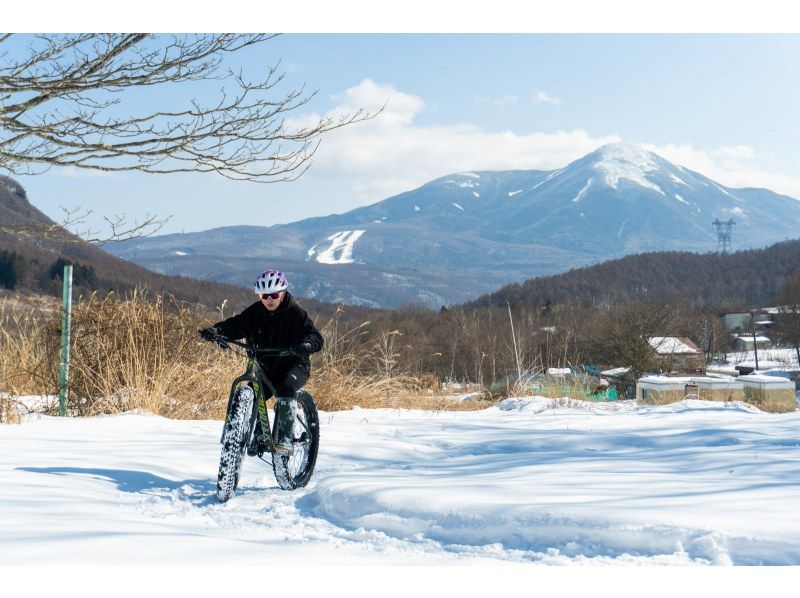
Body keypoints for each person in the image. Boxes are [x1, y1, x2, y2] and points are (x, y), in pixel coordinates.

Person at [198, 269, 323, 454]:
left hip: (294, 364)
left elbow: (315, 337)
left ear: (283, 292)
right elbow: (236, 325)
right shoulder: (255, 312)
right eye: (265, 295)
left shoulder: (295, 314)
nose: (269, 300)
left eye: (274, 295)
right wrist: (217, 331)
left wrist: (305, 345)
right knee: (254, 393)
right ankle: (256, 435)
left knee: (285, 387)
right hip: (266, 367)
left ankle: (286, 439)